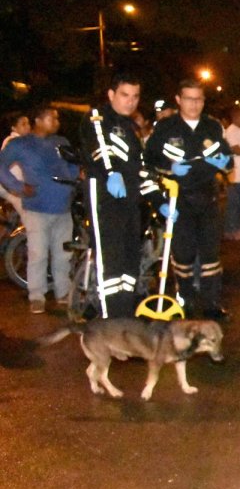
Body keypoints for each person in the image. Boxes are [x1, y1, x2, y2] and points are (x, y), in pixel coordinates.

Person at [145, 79, 233, 321]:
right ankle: (184, 300)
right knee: (183, 255)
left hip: (208, 195)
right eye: (189, 99)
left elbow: (227, 157)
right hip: (179, 197)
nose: (194, 104)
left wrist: (224, 162)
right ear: (178, 100)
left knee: (210, 255)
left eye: (199, 99)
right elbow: (149, 159)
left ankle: (212, 304)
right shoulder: (165, 128)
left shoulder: (212, 126)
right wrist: (170, 167)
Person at [80, 72, 160, 319]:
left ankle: (124, 318)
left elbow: (141, 169)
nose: (131, 101)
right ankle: (109, 324)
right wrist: (112, 173)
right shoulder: (97, 117)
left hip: (130, 202)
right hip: (105, 197)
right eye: (125, 95)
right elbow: (101, 149)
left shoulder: (131, 127)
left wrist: (159, 201)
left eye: (135, 96)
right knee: (110, 262)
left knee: (129, 262)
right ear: (111, 94)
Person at [0, 105, 75, 313]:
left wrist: (71, 181)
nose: (57, 122)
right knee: (38, 253)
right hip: (37, 208)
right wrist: (17, 187)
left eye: (57, 118)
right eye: (52, 118)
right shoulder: (20, 144)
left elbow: (72, 164)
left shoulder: (61, 142)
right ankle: (36, 295)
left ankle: (63, 292)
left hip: (63, 208)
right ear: (38, 120)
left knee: (63, 254)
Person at [222, 106, 240, 240]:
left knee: (233, 204)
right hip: (238, 174)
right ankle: (236, 230)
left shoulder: (235, 130)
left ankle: (232, 230)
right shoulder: (233, 131)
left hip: (236, 174)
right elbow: (236, 149)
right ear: (237, 117)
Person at [1, 110, 31, 218]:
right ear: (13, 128)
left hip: (16, 186)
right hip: (10, 187)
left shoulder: (23, 141)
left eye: (28, 123)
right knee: (30, 217)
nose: (28, 127)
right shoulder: (13, 142)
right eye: (23, 124)